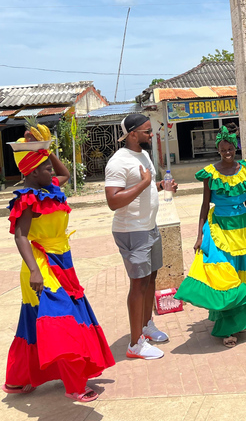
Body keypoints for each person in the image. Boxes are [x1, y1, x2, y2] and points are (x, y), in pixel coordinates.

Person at [4, 135, 114, 402]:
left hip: (63, 261)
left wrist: (46, 150)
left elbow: (64, 173)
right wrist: (34, 271)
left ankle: (19, 380)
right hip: (41, 264)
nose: (52, 172)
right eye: (46, 168)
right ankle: (75, 385)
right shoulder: (28, 199)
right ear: (31, 172)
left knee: (36, 322)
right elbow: (20, 236)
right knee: (63, 322)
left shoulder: (49, 187)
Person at [175, 126, 246, 347]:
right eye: (223, 150)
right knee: (225, 276)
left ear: (235, 148)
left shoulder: (245, 170)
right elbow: (205, 205)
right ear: (218, 151)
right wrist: (199, 235)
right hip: (220, 228)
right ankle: (227, 327)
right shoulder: (210, 174)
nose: (227, 153)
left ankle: (241, 320)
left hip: (243, 228)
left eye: (231, 149)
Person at [105, 114, 177, 360]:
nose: (151, 134)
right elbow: (113, 201)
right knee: (138, 284)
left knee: (150, 278)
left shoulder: (143, 155)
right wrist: (145, 184)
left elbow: (144, 185)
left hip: (148, 227)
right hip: (132, 230)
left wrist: (159, 187)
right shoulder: (118, 161)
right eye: (147, 131)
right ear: (132, 134)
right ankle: (135, 344)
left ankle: (146, 325)